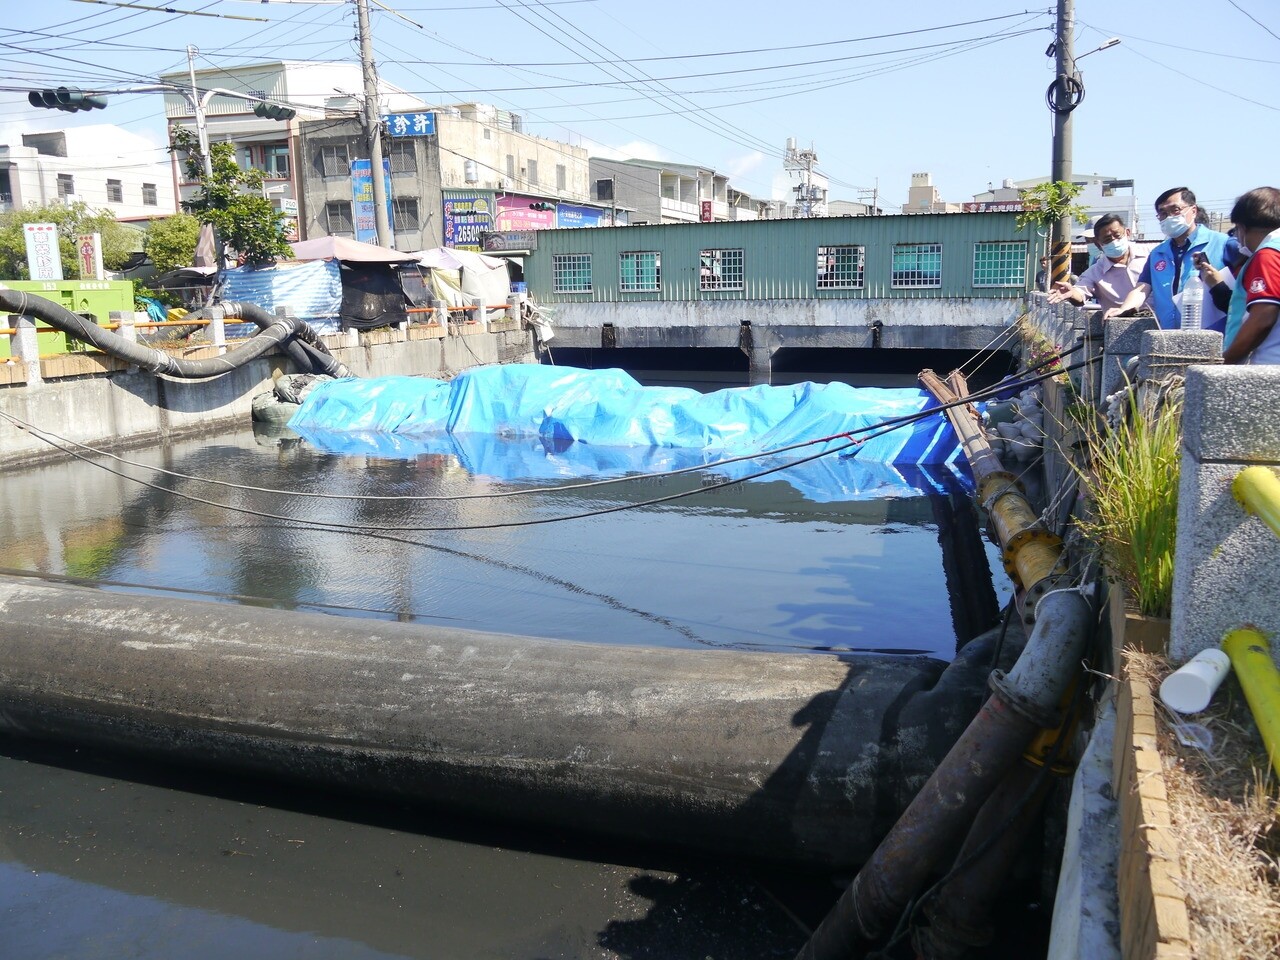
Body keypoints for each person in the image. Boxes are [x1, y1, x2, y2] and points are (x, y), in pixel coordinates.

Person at [1103, 187, 1231, 329]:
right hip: (1168, 336)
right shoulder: (1158, 253)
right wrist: (1123, 309)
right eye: (1162, 213)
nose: (1169, 217)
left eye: (1175, 210)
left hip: (1213, 337)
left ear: (1193, 211)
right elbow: (1142, 287)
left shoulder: (1223, 243)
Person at [1222, 187, 1280, 365]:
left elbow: (1263, 318)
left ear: (1241, 227)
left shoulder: (1268, 254)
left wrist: (1225, 364)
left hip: (1266, 369)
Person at [1047, 213, 1148, 312]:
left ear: (1127, 233)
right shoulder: (1095, 272)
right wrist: (1072, 293)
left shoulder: (1150, 256)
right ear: (1098, 244)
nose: (1114, 241)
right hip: (1120, 323)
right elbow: (1081, 291)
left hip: (1158, 321)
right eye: (1107, 239)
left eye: (1117, 235)